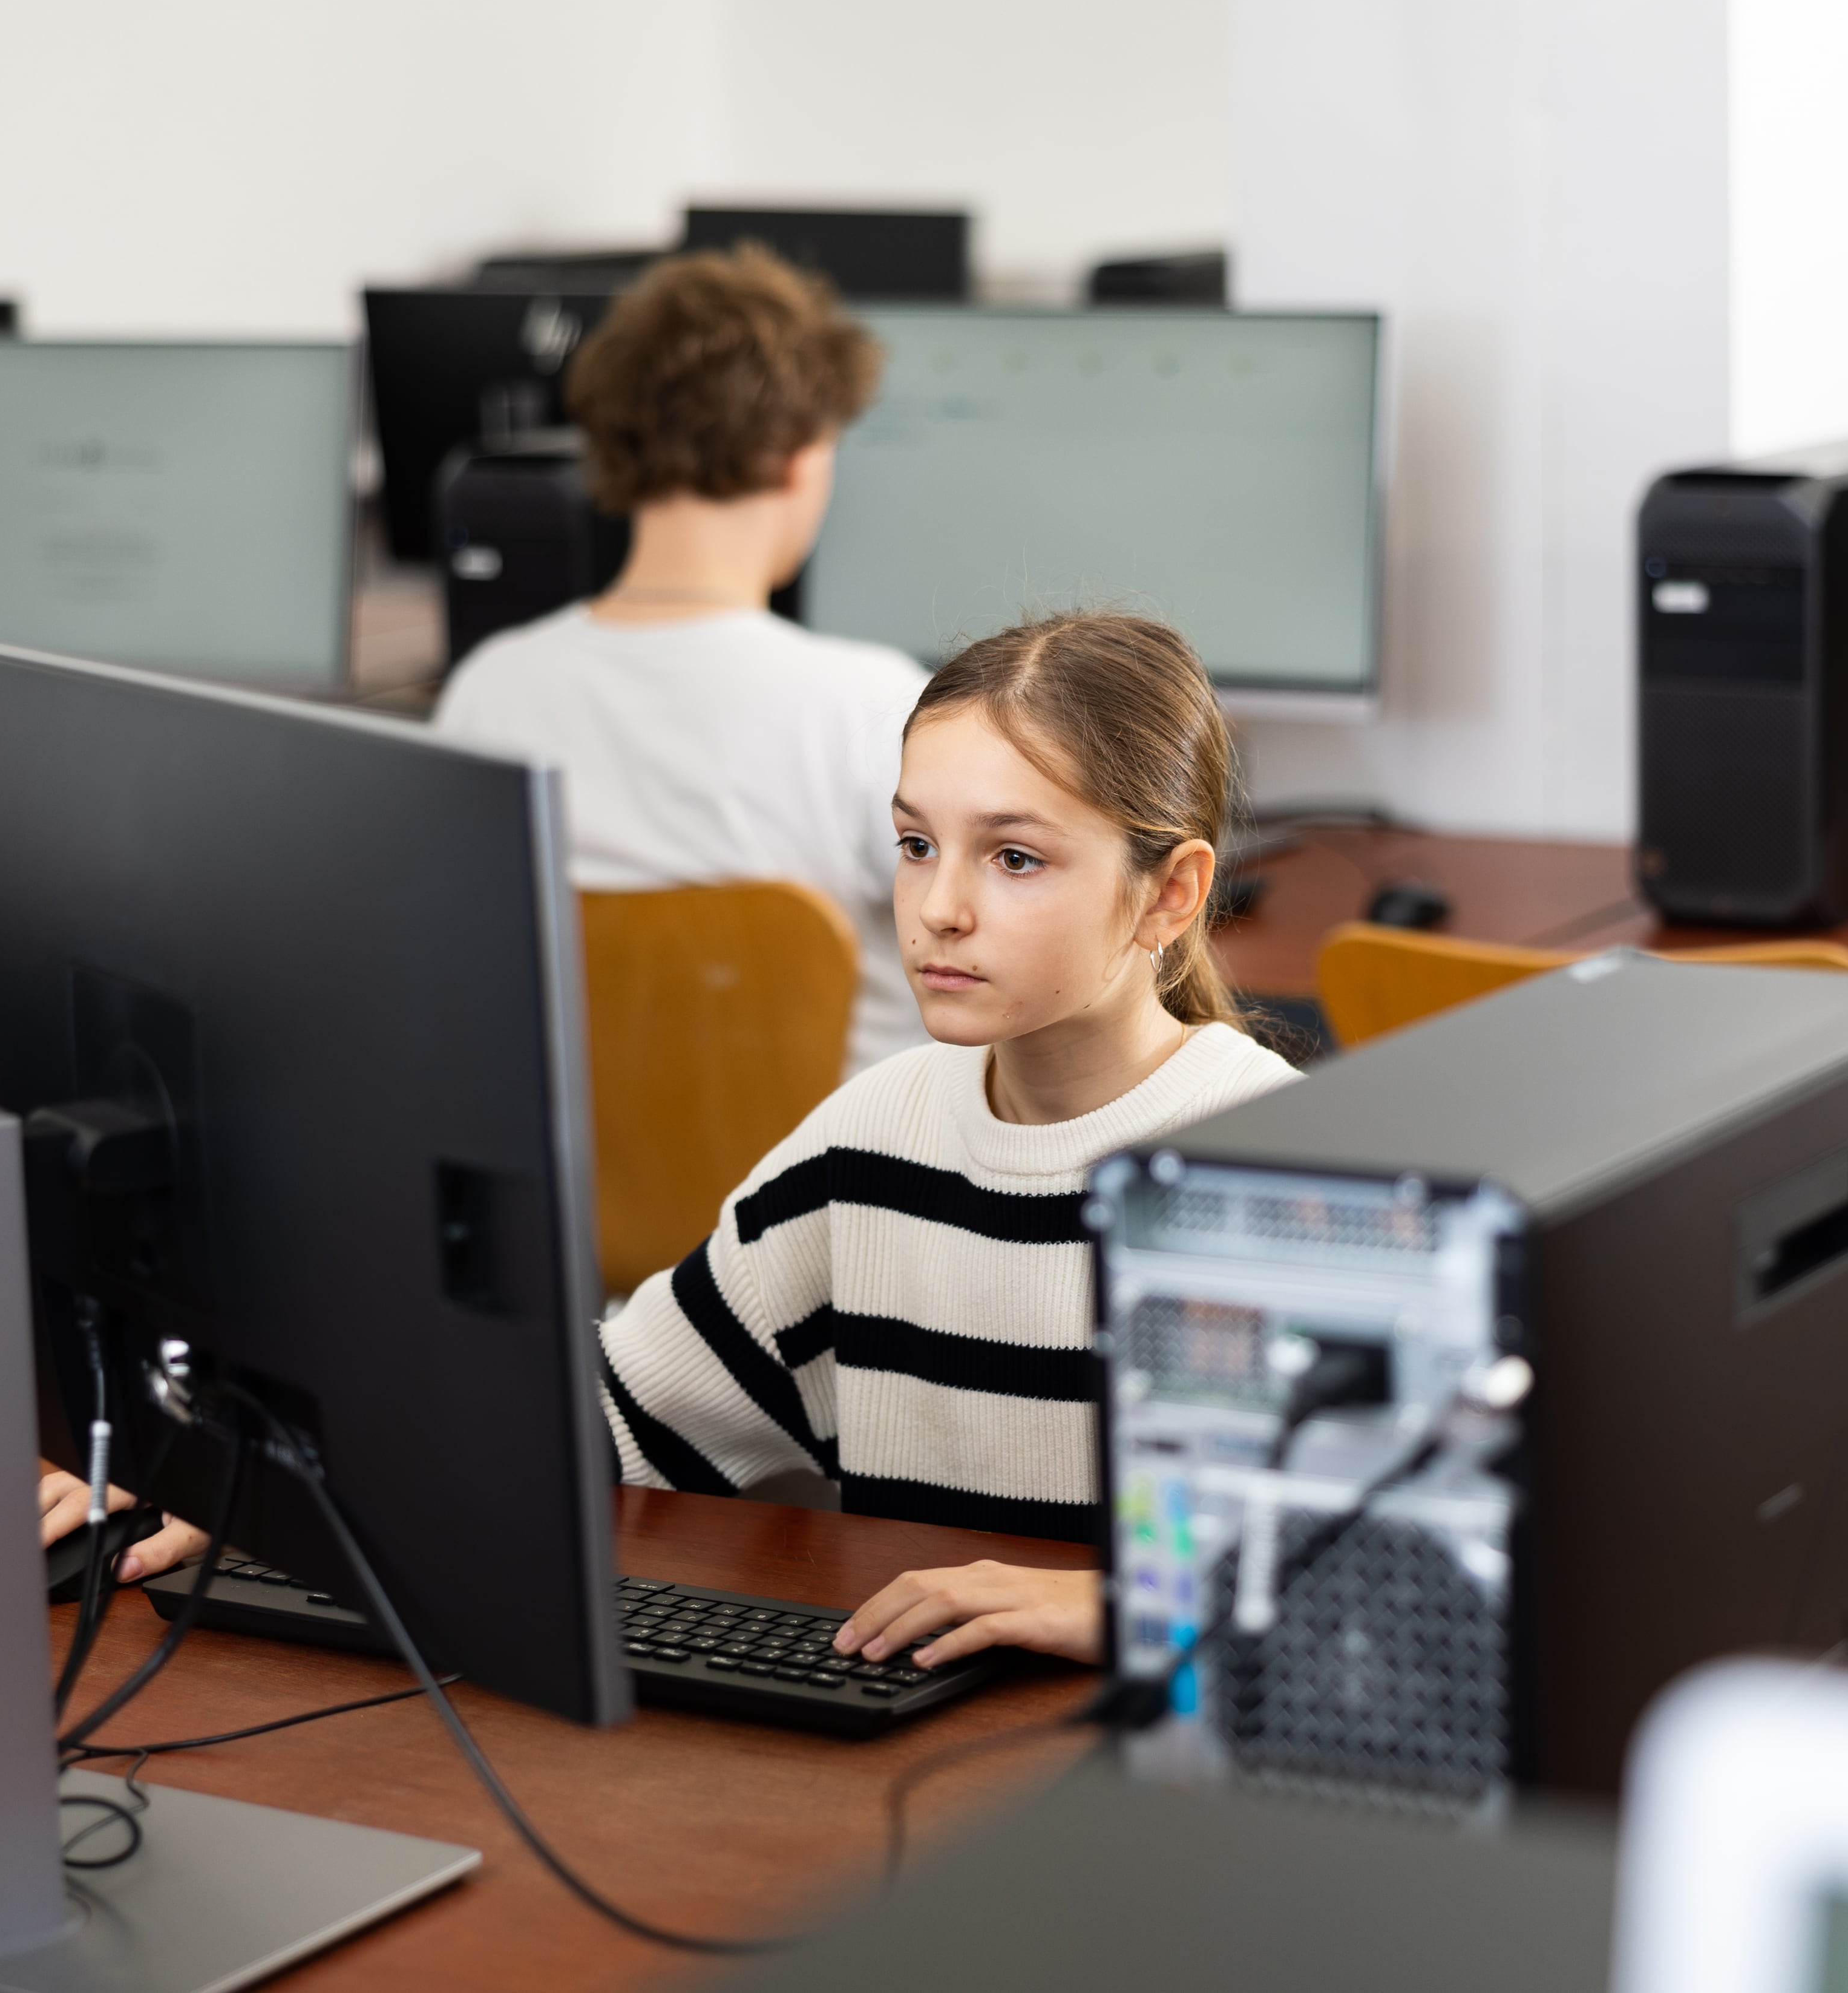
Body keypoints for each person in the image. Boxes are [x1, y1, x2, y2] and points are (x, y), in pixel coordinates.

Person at [599, 612, 1300, 1674]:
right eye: (916, 844)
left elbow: (1395, 1583)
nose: (937, 908)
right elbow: (617, 1425)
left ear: (1170, 893)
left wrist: (1121, 1605)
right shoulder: (869, 1141)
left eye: (1014, 858)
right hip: (914, 1751)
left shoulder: (1279, 1177)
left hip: (1153, 1773)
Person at [433, 245, 930, 1080]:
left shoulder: (489, 692)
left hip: (586, 1204)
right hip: (832, 1198)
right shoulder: (875, 709)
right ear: (799, 458)